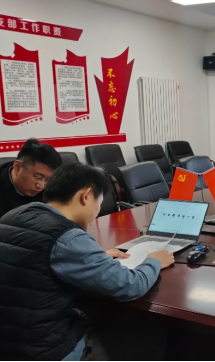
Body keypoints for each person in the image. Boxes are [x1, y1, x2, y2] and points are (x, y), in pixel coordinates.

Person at [0, 163, 175, 360]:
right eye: (99, 203)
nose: (97, 212)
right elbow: (130, 286)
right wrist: (153, 261)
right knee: (154, 333)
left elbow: (36, 258)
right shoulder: (68, 238)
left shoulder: (16, 214)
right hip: (48, 352)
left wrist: (95, 258)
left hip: (10, 345)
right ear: (87, 195)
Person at [0, 138, 62, 218]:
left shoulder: (53, 185)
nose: (41, 186)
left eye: (47, 180)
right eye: (38, 177)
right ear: (17, 167)